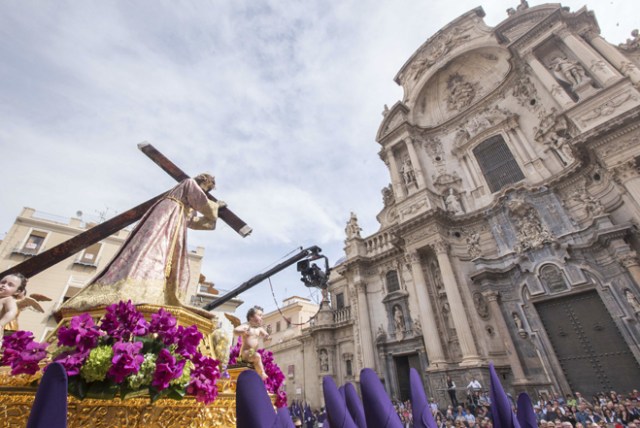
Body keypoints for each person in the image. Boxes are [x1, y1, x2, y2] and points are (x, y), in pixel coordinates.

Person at [59, 173, 224, 318]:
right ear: (201, 182)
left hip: (175, 221)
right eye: (205, 189)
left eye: (207, 192)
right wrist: (216, 207)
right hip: (166, 216)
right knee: (153, 245)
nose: (204, 193)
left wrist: (212, 218)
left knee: (164, 251)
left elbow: (193, 221)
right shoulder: (188, 184)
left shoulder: (188, 206)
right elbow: (202, 202)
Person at [234, 305, 271, 380]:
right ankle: (262, 373)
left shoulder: (259, 329)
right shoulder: (247, 327)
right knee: (257, 356)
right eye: (259, 315)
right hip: (245, 353)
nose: (261, 317)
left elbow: (266, 335)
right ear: (251, 317)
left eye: (262, 316)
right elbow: (235, 331)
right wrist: (243, 331)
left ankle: (259, 376)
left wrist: (267, 335)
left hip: (252, 353)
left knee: (257, 358)